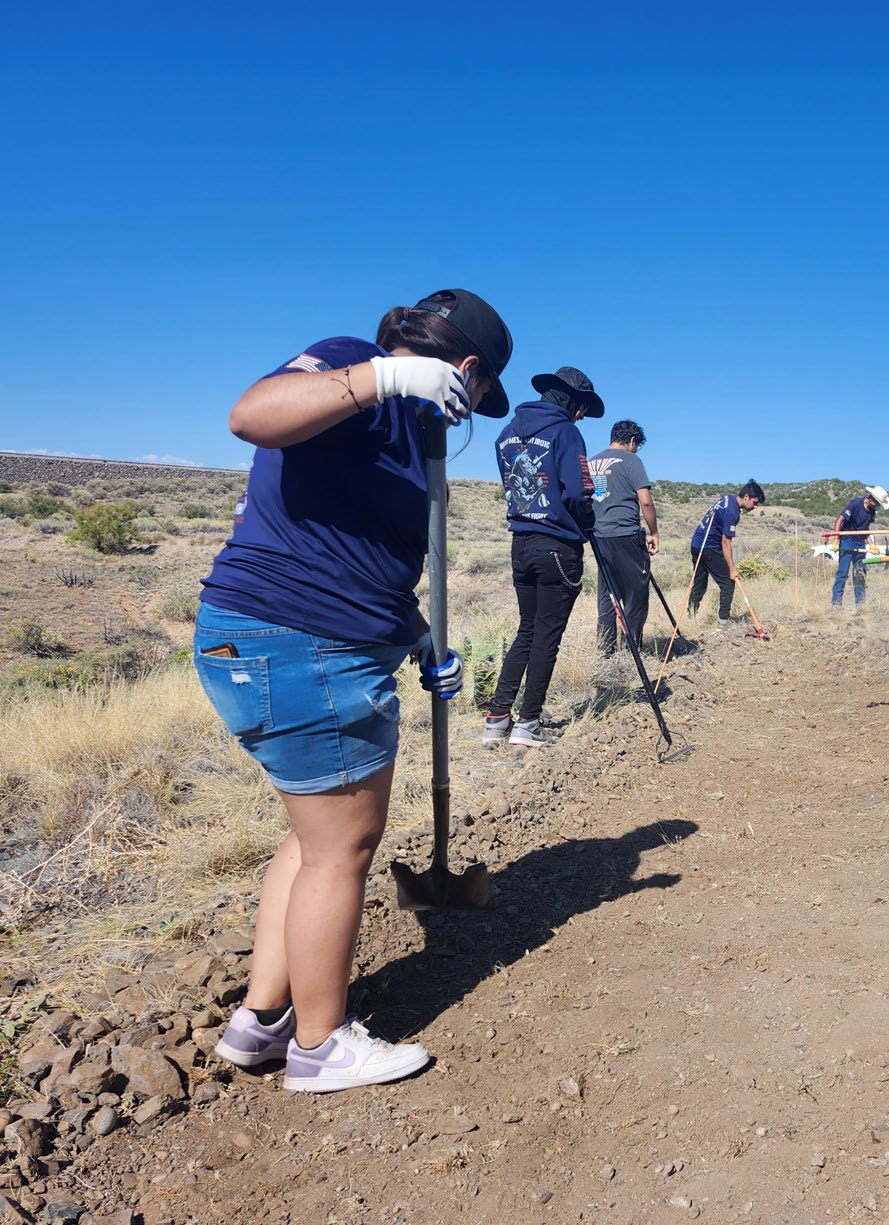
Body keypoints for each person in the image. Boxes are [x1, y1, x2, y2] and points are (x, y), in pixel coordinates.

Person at [195, 289, 513, 1092]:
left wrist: (419, 640)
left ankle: (261, 1019)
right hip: (300, 644)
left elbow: (364, 561)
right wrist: (385, 378)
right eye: (477, 395)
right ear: (466, 370)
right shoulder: (349, 365)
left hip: (306, 643)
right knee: (344, 849)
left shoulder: (411, 438)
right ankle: (321, 1043)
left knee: (310, 840)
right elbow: (252, 414)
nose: (469, 410)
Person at [486, 367, 603, 748]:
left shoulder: (507, 433)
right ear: (570, 400)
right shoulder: (566, 432)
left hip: (521, 542)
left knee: (528, 629)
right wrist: (588, 522)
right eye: (582, 407)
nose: (582, 415)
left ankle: (497, 717)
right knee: (546, 637)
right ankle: (528, 723)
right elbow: (576, 492)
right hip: (558, 546)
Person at [589, 420, 659, 655]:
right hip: (626, 534)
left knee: (608, 595)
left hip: (600, 537)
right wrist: (654, 532)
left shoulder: (590, 462)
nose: (636, 449)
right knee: (636, 595)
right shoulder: (631, 461)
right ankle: (631, 652)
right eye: (636, 445)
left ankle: (606, 652)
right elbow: (646, 500)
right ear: (631, 441)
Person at [688, 480, 765, 625]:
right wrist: (732, 569)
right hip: (709, 546)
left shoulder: (728, 498)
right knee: (728, 583)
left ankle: (690, 618)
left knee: (699, 584)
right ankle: (723, 622)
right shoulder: (732, 512)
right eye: (755, 503)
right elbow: (725, 542)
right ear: (746, 496)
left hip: (697, 543)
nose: (755, 507)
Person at [830, 485, 889, 607]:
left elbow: (865, 529)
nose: (877, 507)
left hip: (860, 543)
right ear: (872, 499)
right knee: (842, 574)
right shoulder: (856, 504)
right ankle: (836, 605)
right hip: (847, 541)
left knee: (860, 574)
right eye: (877, 504)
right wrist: (836, 539)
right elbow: (839, 520)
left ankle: (861, 606)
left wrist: (871, 545)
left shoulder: (872, 512)